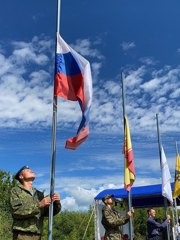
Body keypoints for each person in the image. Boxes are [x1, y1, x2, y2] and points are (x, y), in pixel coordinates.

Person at [10, 166, 61, 240]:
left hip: (38, 235)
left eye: (31, 170)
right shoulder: (16, 191)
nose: (31, 170)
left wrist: (56, 203)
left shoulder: (39, 194)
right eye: (27, 170)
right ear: (21, 176)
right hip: (23, 234)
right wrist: (39, 204)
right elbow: (17, 211)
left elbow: (47, 213)